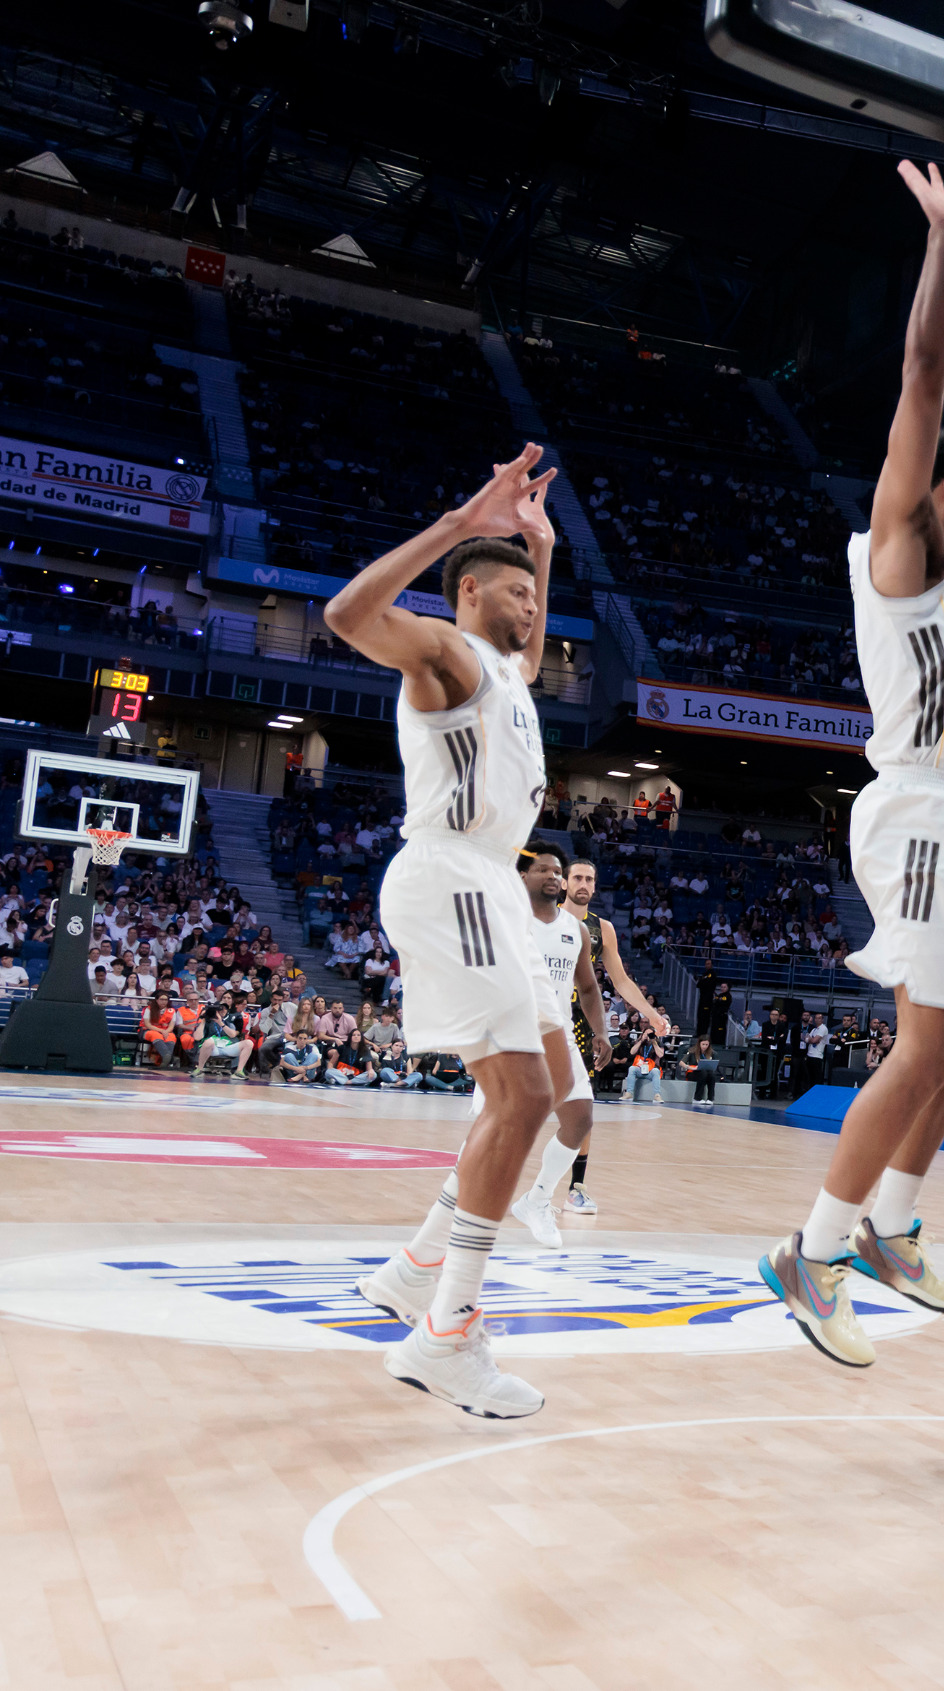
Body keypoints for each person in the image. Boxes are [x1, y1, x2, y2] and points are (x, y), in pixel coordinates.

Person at [760, 161, 944, 1364]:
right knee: (927, 1041)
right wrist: (943, 243)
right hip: (917, 812)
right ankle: (813, 1251)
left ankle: (890, 1227)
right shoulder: (902, 551)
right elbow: (923, 379)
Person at [326, 442, 562, 1419]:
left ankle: (418, 1267)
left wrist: (541, 549)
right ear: (469, 594)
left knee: (539, 1088)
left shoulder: (507, 673)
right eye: (515, 593)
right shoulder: (444, 651)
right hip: (455, 876)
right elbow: (347, 616)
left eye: (535, 596)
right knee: (524, 1097)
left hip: (488, 886)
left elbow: (530, 658)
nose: (531, 608)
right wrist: (465, 525)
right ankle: (448, 1334)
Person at [483, 842, 612, 1248]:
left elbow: (587, 988)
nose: (554, 876)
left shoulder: (576, 930)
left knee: (580, 1119)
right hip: (510, 1038)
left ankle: (537, 1200)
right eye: (544, 869)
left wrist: (601, 1032)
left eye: (558, 871)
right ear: (523, 876)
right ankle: (460, 1206)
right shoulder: (507, 922)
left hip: (557, 1035)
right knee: (496, 1130)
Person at [559, 858, 674, 1217]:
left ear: (595, 886)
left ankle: (576, 1187)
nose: (583, 884)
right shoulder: (543, 918)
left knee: (582, 1109)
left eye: (589, 879)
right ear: (563, 883)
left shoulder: (602, 928)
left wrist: (651, 1014)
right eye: (577, 877)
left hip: (581, 1024)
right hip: (540, 1018)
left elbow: (620, 980)